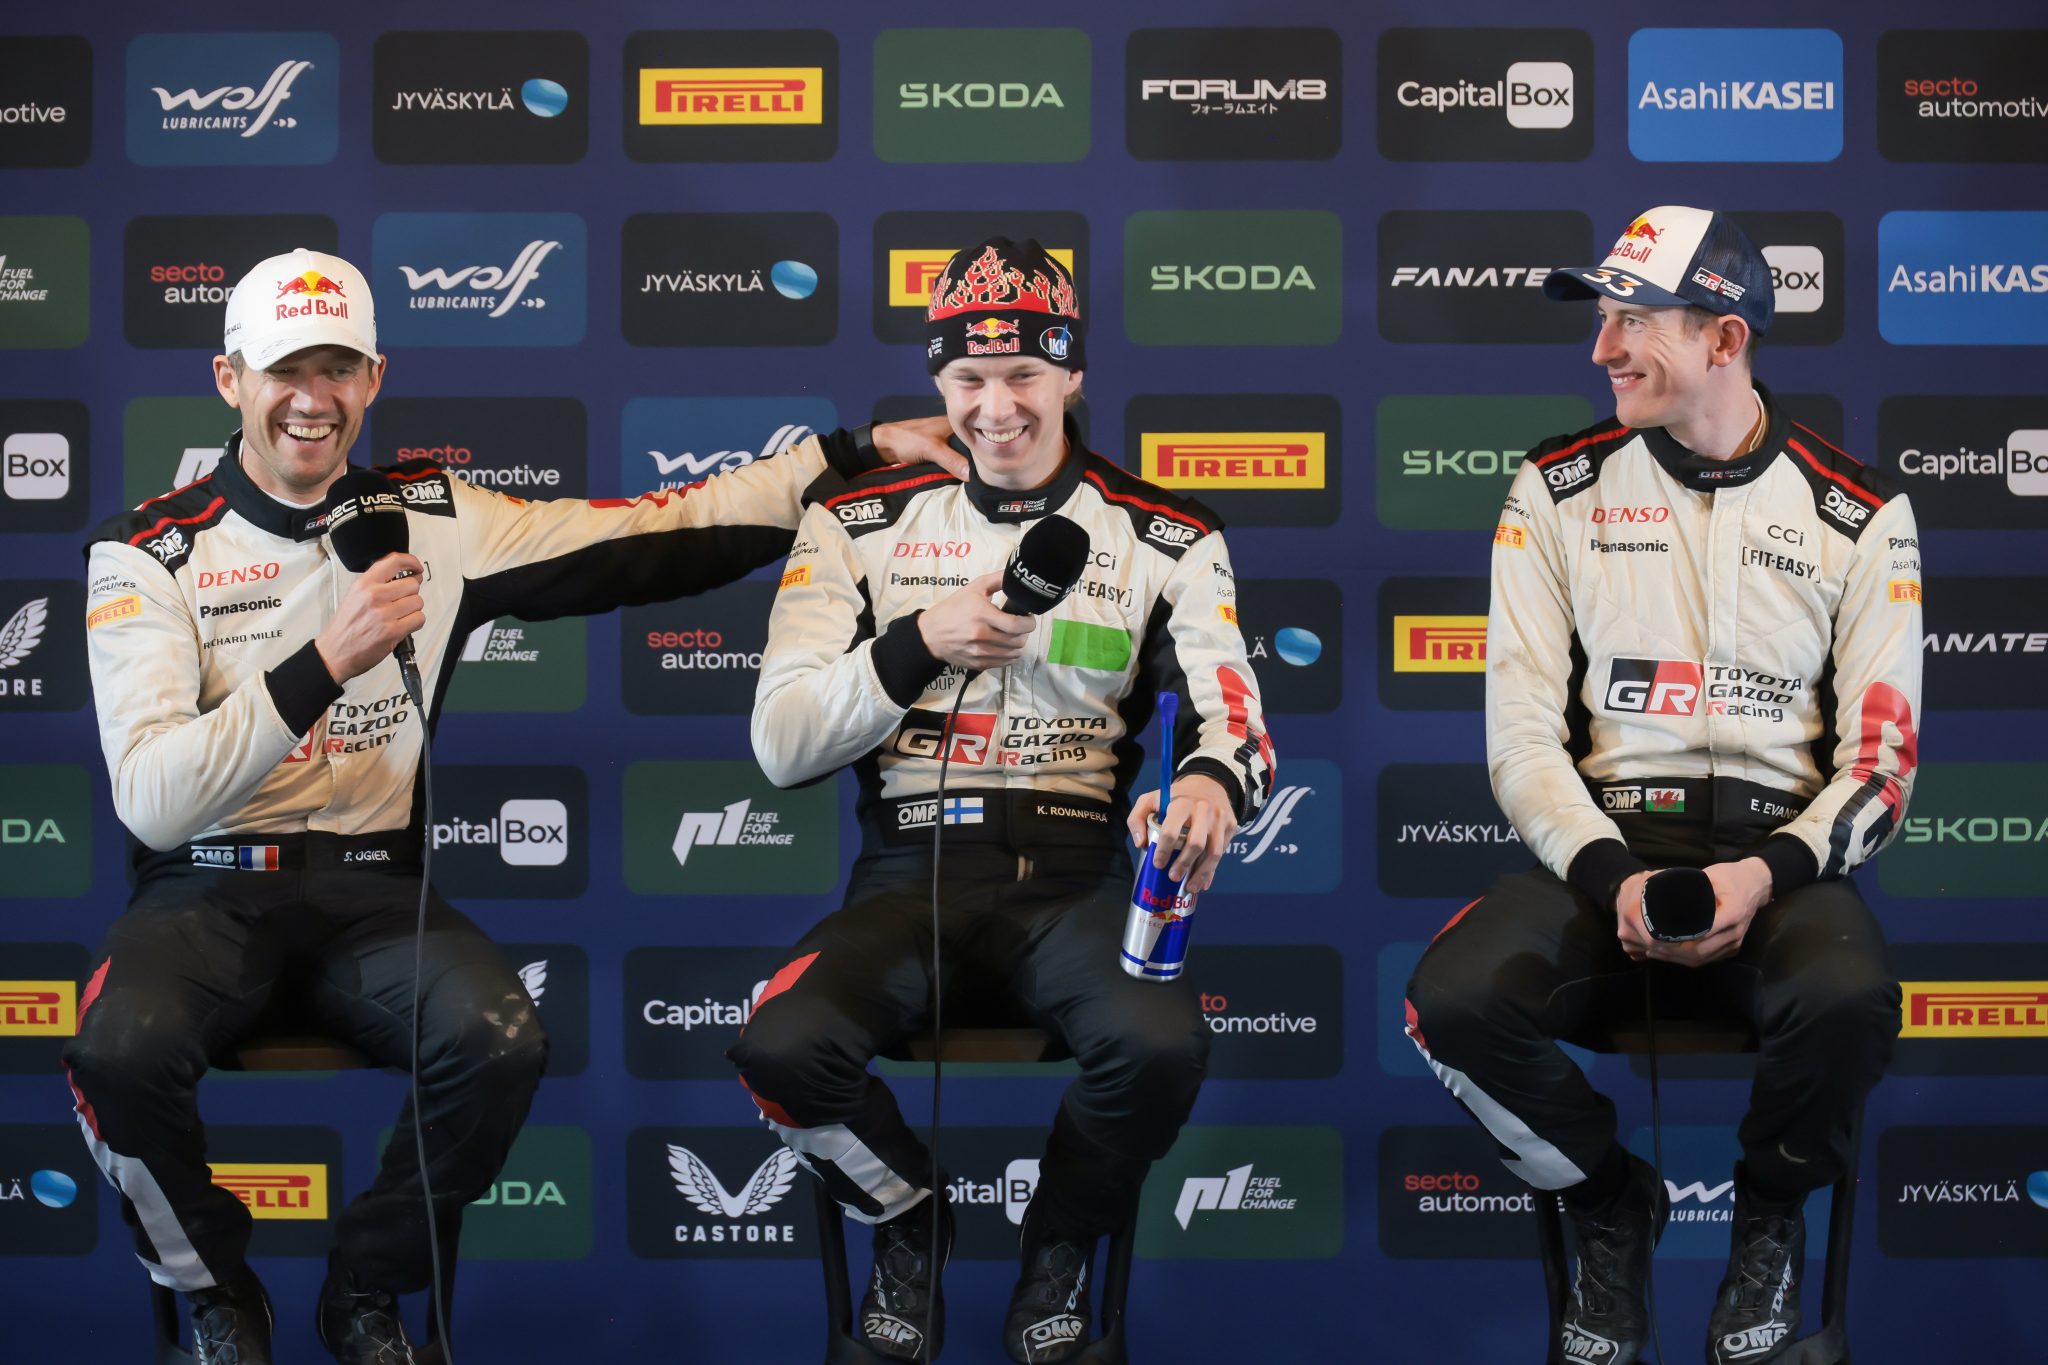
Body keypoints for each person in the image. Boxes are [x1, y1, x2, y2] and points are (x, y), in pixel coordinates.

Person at [67, 247, 961, 1365]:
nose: (311, 399)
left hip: (371, 892)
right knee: (116, 1058)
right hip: (201, 886)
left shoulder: (431, 516)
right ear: (229, 379)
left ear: (375, 377)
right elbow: (155, 802)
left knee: (499, 1041)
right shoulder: (143, 550)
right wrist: (326, 659)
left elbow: (648, 534)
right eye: (285, 369)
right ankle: (215, 1289)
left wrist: (846, 455)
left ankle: (368, 1287)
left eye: (337, 368)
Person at [730, 237, 1275, 1364]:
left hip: (1076, 879)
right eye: (969, 378)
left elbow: (1232, 713)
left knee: (1159, 1048)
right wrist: (918, 641)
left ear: (1073, 372)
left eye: (1025, 374)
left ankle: (1058, 1245)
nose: (996, 408)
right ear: (937, 379)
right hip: (908, 874)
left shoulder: (1168, 531)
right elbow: (780, 745)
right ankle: (908, 1217)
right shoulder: (854, 519)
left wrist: (1210, 782)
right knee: (780, 1048)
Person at [1404, 206, 1920, 1365]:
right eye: (1602, 319)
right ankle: (1605, 1200)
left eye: (1632, 322)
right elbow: (1519, 741)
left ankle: (1768, 1218)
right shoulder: (1553, 487)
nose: (1602, 349)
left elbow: (1880, 767)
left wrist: (1760, 874)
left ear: (1724, 339)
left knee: (1848, 1001)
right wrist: (1611, 876)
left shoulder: (1857, 510)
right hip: (1602, 853)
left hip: (1778, 862)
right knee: (1449, 1000)